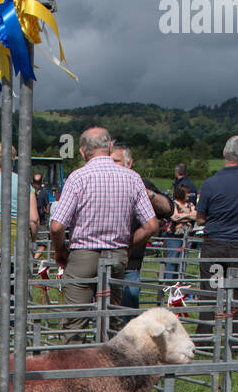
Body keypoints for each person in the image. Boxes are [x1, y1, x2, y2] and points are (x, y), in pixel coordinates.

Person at [49, 126, 158, 338]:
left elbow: (56, 225)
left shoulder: (78, 178)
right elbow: (152, 226)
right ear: (109, 147)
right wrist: (127, 244)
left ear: (82, 152)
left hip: (83, 255)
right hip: (116, 256)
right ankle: (111, 368)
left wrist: (60, 251)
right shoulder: (133, 178)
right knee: (112, 320)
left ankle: (74, 368)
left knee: (74, 321)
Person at [193, 135, 238, 343]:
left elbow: (201, 218)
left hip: (214, 244)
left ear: (224, 153)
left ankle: (205, 339)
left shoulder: (210, 183)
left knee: (209, 292)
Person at [0, 143, 40, 330]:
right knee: (16, 284)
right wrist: (33, 239)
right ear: (13, 160)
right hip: (17, 239)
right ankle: (16, 328)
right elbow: (34, 219)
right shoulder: (24, 185)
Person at [110, 143, 172, 316]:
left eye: (116, 161)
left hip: (130, 264)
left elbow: (168, 209)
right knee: (101, 316)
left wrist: (144, 192)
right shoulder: (100, 183)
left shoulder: (142, 185)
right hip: (99, 261)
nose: (111, 165)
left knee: (127, 317)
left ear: (129, 164)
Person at [165, 184, 197, 284]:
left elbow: (196, 216)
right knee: (173, 258)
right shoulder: (173, 204)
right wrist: (188, 215)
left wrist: (183, 215)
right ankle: (169, 282)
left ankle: (180, 281)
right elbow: (174, 217)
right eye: (187, 193)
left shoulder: (190, 205)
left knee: (183, 259)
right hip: (174, 236)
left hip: (187, 236)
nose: (189, 195)